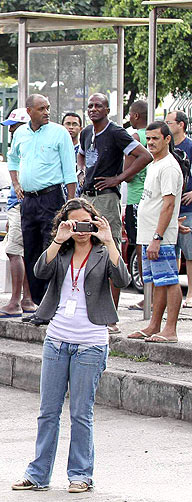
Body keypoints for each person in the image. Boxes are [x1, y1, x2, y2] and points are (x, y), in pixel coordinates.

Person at [12, 199, 128, 493]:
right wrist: (57, 240)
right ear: (66, 224)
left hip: (90, 343)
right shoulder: (61, 251)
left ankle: (81, 475)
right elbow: (39, 271)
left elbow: (123, 279)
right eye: (74, 224)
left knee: (80, 412)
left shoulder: (103, 252)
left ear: (95, 221)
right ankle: (38, 473)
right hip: (57, 339)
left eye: (86, 223)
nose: (81, 230)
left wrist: (110, 240)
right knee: (47, 411)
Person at [77, 93, 153, 334]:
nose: (93, 109)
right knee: (85, 254)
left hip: (107, 199)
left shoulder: (117, 132)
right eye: (90, 106)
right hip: (86, 199)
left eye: (98, 105)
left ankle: (111, 318)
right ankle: (88, 313)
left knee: (110, 254)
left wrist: (119, 178)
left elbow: (145, 155)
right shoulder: (86, 133)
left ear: (107, 109)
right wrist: (81, 172)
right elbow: (81, 153)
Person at [8, 94, 77, 314]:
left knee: (52, 248)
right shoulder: (20, 133)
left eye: (48, 108)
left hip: (51, 197)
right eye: (41, 109)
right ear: (29, 111)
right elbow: (12, 159)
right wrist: (16, 183)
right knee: (31, 250)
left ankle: (52, 302)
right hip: (28, 199)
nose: (46, 112)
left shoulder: (59, 133)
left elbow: (69, 171)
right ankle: (36, 302)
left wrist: (72, 206)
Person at [127, 121, 183, 343]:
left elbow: (168, 204)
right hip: (150, 233)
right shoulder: (154, 163)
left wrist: (158, 237)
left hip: (159, 237)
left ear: (167, 139)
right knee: (158, 281)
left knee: (169, 280)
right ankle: (154, 326)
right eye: (148, 138)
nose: (150, 142)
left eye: (155, 138)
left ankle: (170, 330)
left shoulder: (169, 166)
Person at [0, 109, 37, 319]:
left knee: (15, 250)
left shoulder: (29, 147)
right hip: (16, 204)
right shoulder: (19, 148)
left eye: (15, 126)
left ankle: (19, 300)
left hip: (22, 204)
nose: (12, 131)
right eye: (11, 127)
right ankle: (24, 298)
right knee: (19, 250)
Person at [165, 110, 192, 308]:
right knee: (171, 252)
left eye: (169, 122)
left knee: (189, 251)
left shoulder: (190, 146)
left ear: (181, 124)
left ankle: (190, 294)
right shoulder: (168, 147)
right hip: (170, 207)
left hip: (188, 208)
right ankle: (169, 294)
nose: (167, 125)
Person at [124, 101, 150, 302]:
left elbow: (129, 174)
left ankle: (146, 293)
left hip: (136, 198)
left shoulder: (135, 138)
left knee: (139, 245)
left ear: (136, 116)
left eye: (130, 115)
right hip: (151, 198)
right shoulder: (154, 136)